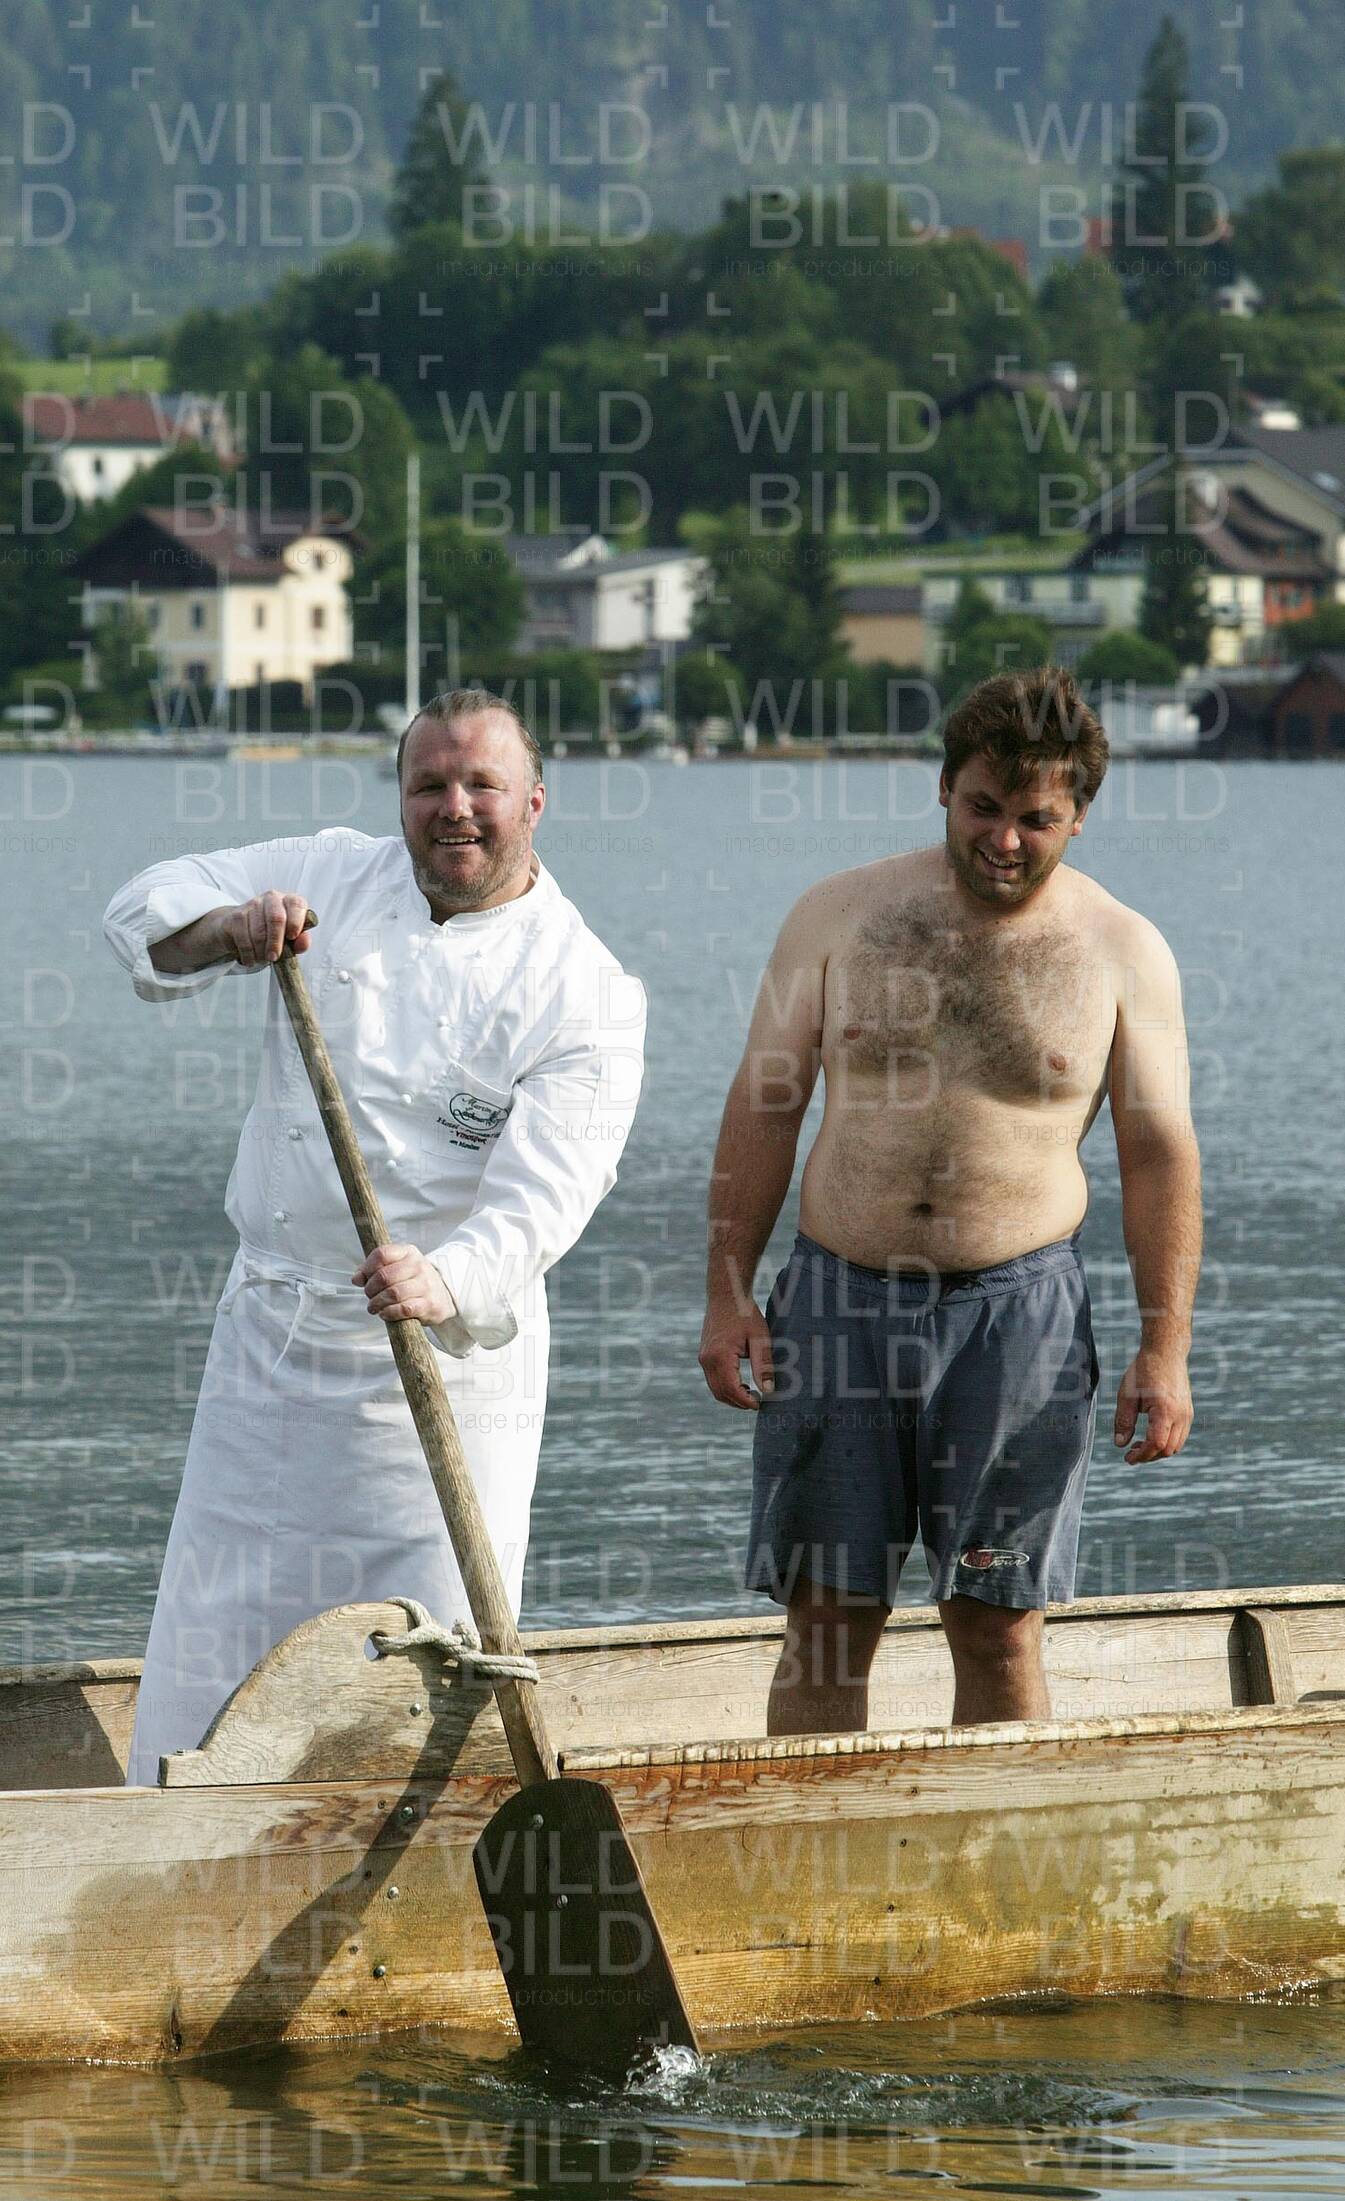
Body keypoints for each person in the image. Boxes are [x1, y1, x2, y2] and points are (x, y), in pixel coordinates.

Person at [104, 689, 646, 1785]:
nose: (455, 809)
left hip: (440, 1368)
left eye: (482, 785)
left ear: (534, 802)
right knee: (218, 1630)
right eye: (428, 785)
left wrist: (443, 1277)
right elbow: (141, 910)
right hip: (269, 1345)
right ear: (400, 799)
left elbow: (546, 1198)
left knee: (417, 1643)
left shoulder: (583, 989)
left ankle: (418, 1833)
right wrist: (231, 931)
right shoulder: (331, 873)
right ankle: (177, 1828)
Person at [698, 665, 1201, 1733]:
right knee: (826, 1621)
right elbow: (764, 1106)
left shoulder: (1123, 951)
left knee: (996, 1623)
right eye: (982, 807)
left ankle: (1003, 1841)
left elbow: (1157, 1155)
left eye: (1035, 819)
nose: (1003, 840)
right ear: (942, 787)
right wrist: (727, 1292)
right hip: (835, 1301)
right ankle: (814, 1838)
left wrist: (1164, 1348)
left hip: (1016, 1318)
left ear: (1077, 816)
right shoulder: (837, 914)